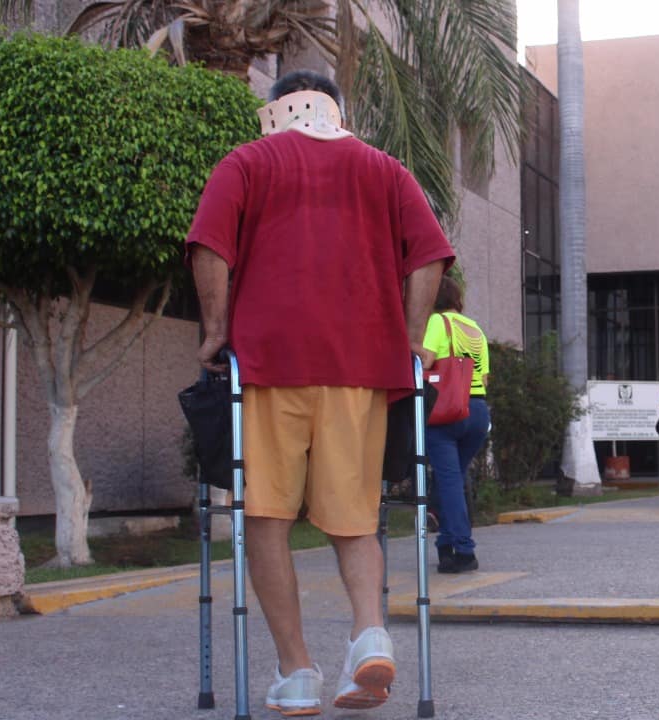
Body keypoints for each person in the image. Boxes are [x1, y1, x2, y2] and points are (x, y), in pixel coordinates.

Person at [186, 70, 454, 717]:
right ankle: (368, 637)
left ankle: (297, 671)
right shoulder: (385, 169)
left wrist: (217, 330)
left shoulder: (248, 161)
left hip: (271, 361)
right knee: (355, 516)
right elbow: (430, 255)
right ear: (338, 106)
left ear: (275, 106)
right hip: (362, 366)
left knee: (269, 519)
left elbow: (209, 247)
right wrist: (412, 336)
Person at [423, 277, 491, 573]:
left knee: (449, 480)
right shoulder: (474, 328)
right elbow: (484, 377)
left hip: (447, 410)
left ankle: (464, 551)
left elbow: (426, 360)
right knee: (455, 478)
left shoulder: (437, 322)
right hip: (477, 410)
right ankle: (446, 547)